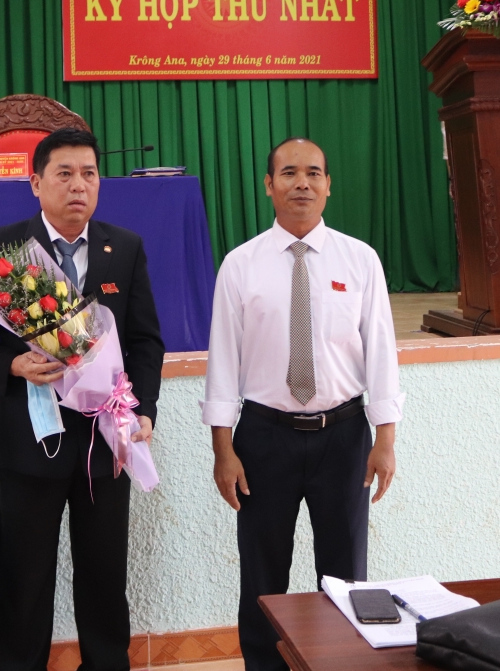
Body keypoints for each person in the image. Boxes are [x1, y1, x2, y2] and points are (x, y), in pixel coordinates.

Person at [0, 127, 165, 671]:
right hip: (31, 440)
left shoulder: (125, 247)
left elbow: (145, 341)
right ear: (36, 182)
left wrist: (143, 411)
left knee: (104, 576)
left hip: (105, 440)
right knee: (24, 580)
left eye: (89, 174)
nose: (78, 185)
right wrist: (11, 365)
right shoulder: (4, 248)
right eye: (64, 174)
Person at [201, 137, 404, 671]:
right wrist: (223, 449)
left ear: (328, 185)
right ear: (269, 185)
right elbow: (223, 362)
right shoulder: (240, 265)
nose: (302, 183)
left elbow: (381, 353)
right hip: (263, 439)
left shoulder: (360, 260)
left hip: (345, 436)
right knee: (262, 574)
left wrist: (385, 439)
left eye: (314, 173)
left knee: (345, 576)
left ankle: (341, 664)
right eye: (289, 173)